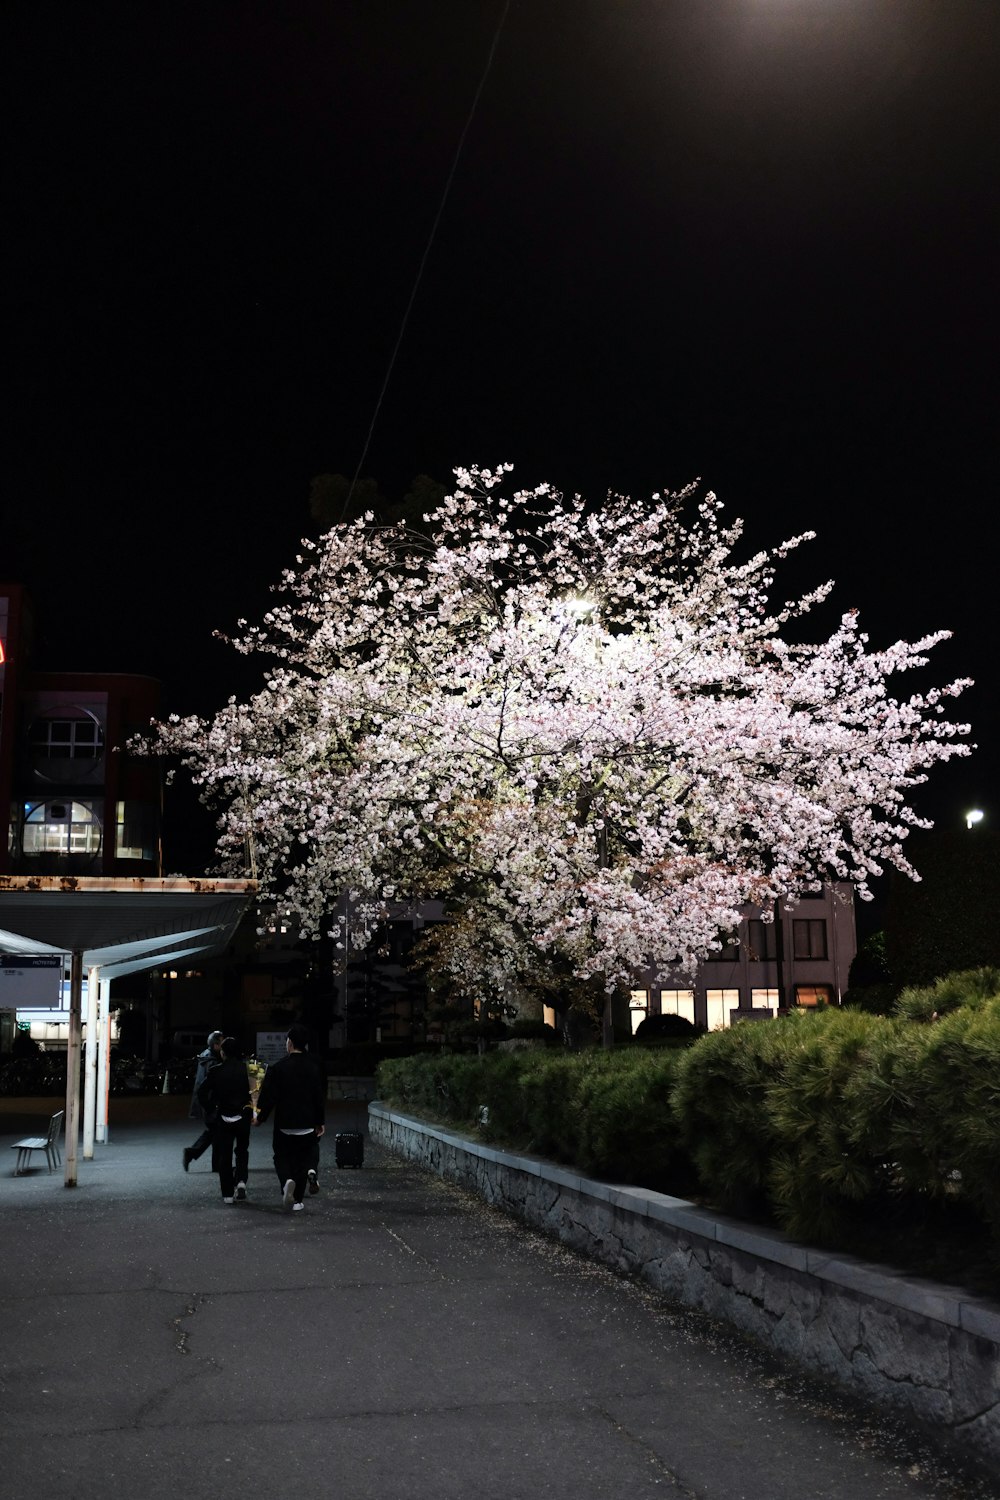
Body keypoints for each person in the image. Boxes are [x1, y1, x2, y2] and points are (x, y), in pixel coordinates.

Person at [254, 1023, 325, 1212]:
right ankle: (299, 1201)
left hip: (285, 1122)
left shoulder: (279, 1068)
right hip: (308, 1122)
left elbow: (269, 1097)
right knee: (303, 1159)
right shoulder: (314, 1067)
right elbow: (318, 1095)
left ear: (290, 1043)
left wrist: (260, 1118)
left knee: (281, 1157)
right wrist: (320, 1121)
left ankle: (286, 1182)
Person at [197, 1036, 253, 1203]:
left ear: (223, 1052)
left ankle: (227, 1194)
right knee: (242, 1151)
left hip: (223, 1117)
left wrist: (210, 1109)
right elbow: (257, 1094)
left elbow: (201, 1092)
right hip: (243, 1116)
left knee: (225, 1155)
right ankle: (241, 1181)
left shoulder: (215, 1070)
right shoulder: (249, 1070)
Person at [183, 1030, 223, 1171]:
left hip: (206, 1103)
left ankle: (193, 1154)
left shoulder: (207, 1057)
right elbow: (213, 1084)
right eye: (222, 1043)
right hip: (211, 1103)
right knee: (217, 1132)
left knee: (213, 1132)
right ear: (216, 1045)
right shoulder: (212, 1061)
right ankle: (214, 1163)